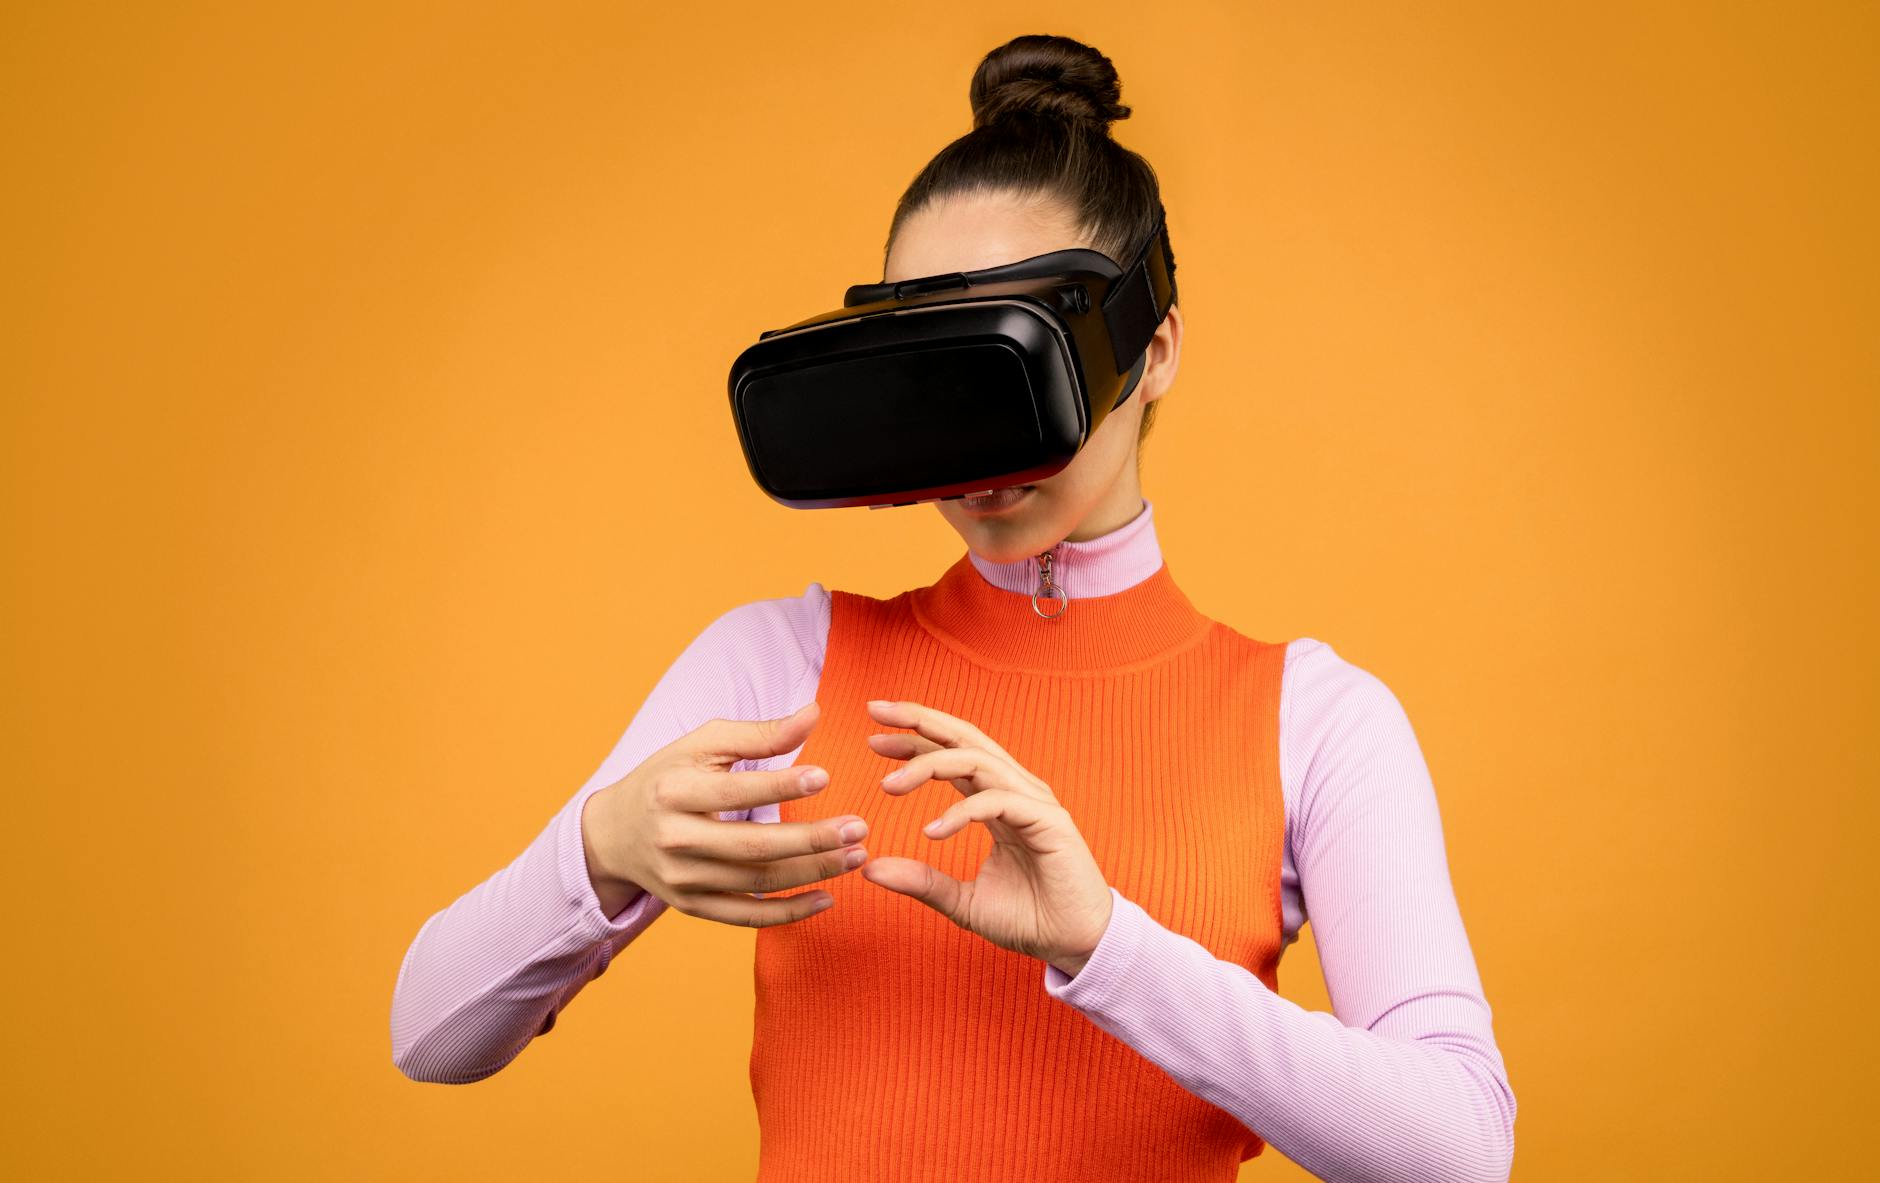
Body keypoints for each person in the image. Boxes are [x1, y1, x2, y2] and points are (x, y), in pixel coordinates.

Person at [390, 32, 1515, 1183]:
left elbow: (1458, 1153)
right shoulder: (776, 663)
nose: (980, 454)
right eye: (937, 371)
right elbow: (428, 1033)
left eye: (1014, 364)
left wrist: (1107, 945)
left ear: (1153, 349)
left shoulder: (1314, 720)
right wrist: (601, 850)